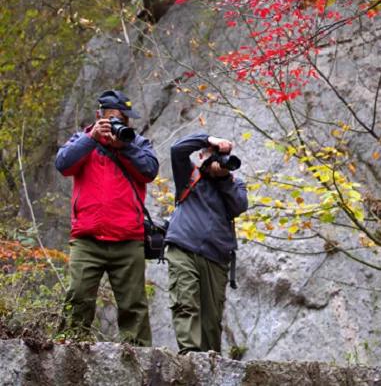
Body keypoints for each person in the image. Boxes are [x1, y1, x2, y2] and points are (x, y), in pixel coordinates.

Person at [55, 89, 159, 345]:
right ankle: (70, 349)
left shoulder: (137, 144)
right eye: (113, 118)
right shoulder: (82, 140)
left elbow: (149, 171)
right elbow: (63, 165)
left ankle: (139, 359)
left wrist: (124, 147)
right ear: (99, 116)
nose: (119, 124)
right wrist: (92, 137)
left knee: (134, 304)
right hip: (88, 238)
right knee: (78, 296)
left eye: (123, 120)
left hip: (128, 238)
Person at [165, 133, 248, 353]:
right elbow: (177, 149)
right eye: (215, 156)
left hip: (216, 257)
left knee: (212, 320)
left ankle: (210, 362)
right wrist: (208, 140)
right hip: (183, 248)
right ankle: (190, 357)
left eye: (223, 158)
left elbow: (239, 205)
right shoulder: (189, 174)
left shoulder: (234, 185)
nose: (220, 161)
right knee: (185, 303)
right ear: (202, 155)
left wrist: (223, 178)